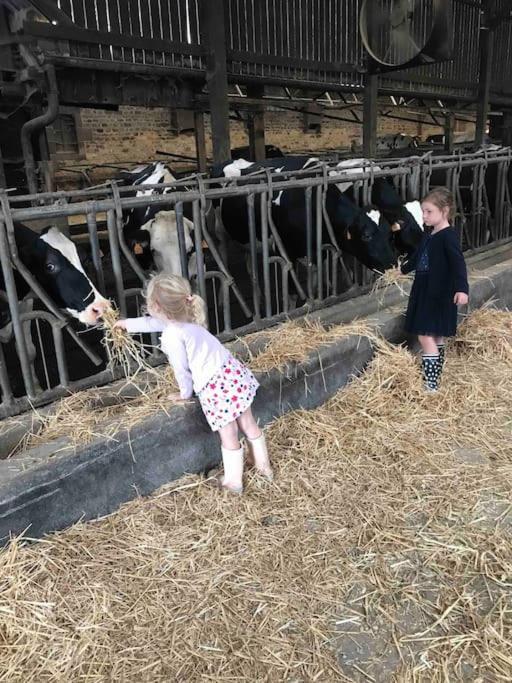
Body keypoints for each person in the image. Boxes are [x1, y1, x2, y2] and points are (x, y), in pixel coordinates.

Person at [114, 273, 273, 493]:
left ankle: (234, 483)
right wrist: (126, 324)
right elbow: (154, 322)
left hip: (216, 385)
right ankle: (264, 468)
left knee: (229, 434)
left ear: (155, 305)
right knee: (248, 423)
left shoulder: (172, 335)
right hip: (232, 373)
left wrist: (185, 393)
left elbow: (181, 369)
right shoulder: (185, 319)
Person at [401, 187, 469, 391]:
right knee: (436, 335)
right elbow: (418, 256)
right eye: (423, 211)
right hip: (426, 290)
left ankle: (430, 385)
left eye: (429, 211)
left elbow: (458, 264)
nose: (424, 215)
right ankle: (435, 379)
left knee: (424, 336)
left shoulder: (448, 237)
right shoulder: (430, 234)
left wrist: (462, 289)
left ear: (445, 211)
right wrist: (403, 269)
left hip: (438, 293)